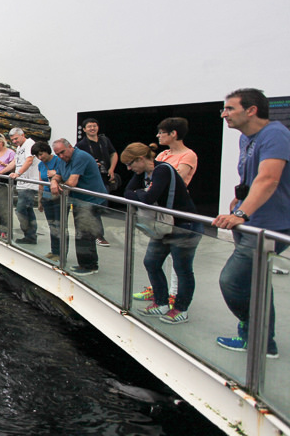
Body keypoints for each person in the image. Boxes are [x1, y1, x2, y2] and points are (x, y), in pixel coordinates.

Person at [212, 88, 290, 358]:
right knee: (257, 284)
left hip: (269, 226)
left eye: (230, 109)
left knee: (232, 281)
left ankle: (250, 330)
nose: (224, 114)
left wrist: (241, 214)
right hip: (249, 221)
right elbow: (250, 177)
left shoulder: (275, 134)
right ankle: (263, 343)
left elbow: (269, 178)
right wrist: (238, 201)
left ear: (252, 110)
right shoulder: (246, 139)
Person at [122, 143, 202, 324]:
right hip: (164, 226)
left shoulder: (162, 170)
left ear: (141, 159)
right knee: (151, 262)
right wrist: (144, 193)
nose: (129, 168)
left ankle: (181, 309)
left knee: (182, 268)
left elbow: (149, 198)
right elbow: (127, 192)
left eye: (130, 164)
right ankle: (161, 302)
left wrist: (141, 194)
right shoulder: (141, 174)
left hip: (184, 226)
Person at [133, 117, 199, 304]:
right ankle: (157, 290)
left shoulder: (188, 155)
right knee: (155, 259)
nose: (158, 135)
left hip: (176, 212)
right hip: (159, 212)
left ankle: (174, 294)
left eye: (161, 132)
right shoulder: (162, 155)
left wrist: (150, 189)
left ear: (173, 134)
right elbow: (148, 182)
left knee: (178, 262)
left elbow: (172, 180)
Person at [50, 138, 108, 275]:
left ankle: (90, 265)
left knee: (85, 233)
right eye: (58, 154)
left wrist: (59, 185)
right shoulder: (63, 161)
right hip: (79, 201)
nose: (61, 156)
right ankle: (85, 263)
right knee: (82, 232)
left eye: (63, 152)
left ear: (70, 146)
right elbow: (57, 175)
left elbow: (72, 181)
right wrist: (53, 182)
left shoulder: (80, 156)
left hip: (91, 201)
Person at [76, 118, 117, 246]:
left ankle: (94, 233)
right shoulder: (81, 145)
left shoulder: (104, 140)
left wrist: (112, 169)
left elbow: (114, 153)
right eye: (89, 126)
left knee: (100, 207)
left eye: (94, 126)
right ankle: (98, 235)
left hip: (104, 177)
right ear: (84, 129)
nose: (92, 128)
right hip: (91, 181)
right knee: (94, 208)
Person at [32, 141, 63, 262]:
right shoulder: (41, 165)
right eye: (37, 156)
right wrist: (40, 201)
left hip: (58, 197)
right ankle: (54, 250)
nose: (40, 157)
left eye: (41, 154)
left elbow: (65, 176)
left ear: (47, 151)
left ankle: (61, 253)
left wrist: (55, 174)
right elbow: (41, 183)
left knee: (59, 225)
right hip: (46, 197)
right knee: (52, 225)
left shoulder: (58, 161)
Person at [8, 127, 39, 244]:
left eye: (16, 138)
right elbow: (15, 162)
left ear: (22, 135)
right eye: (12, 140)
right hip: (22, 184)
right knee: (27, 209)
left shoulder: (29, 144)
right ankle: (30, 235)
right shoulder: (19, 147)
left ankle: (30, 235)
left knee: (21, 209)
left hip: (29, 184)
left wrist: (18, 173)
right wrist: (1, 171)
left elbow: (29, 160)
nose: (14, 141)